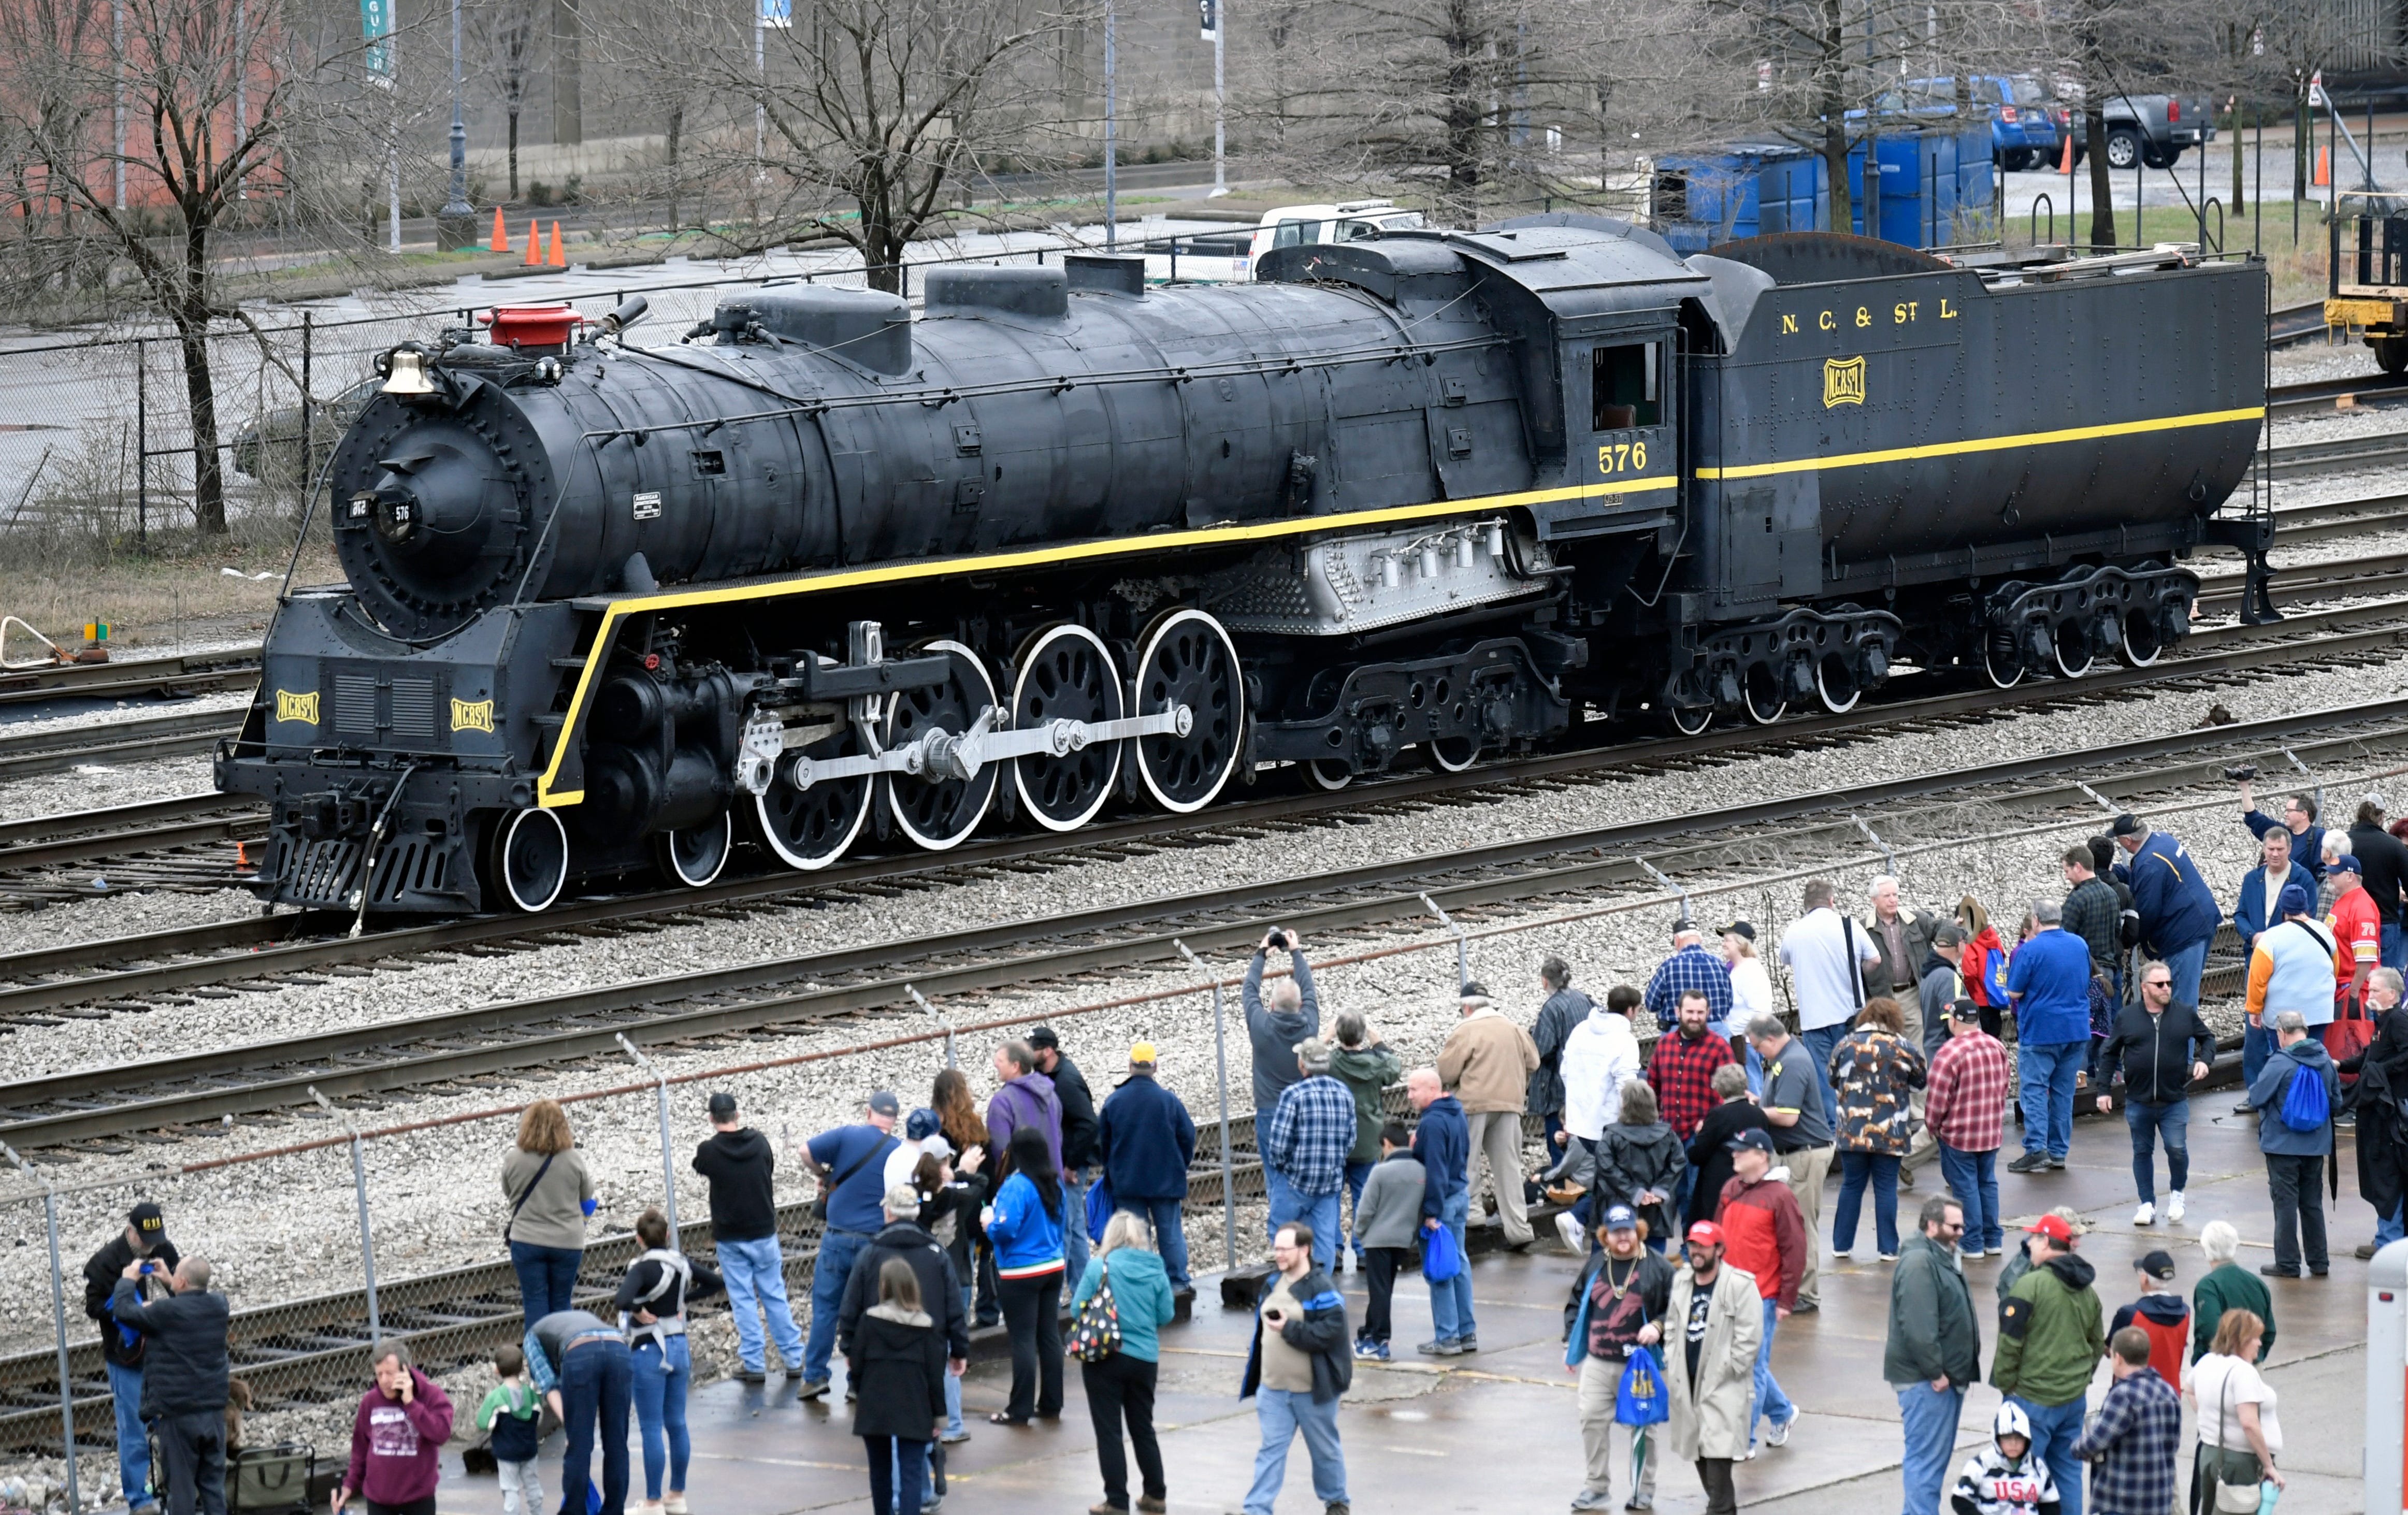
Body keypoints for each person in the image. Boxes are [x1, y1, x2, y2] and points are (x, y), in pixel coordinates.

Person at [1988, 1214, 2104, 1515]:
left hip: (2032, 1400)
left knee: (2019, 1478)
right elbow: (2096, 1343)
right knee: (2067, 1474)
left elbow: (2009, 1343)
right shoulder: (2088, 1291)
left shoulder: (2030, 1286)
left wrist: (2007, 1385)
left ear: (2045, 1242)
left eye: (2033, 1238)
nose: (2028, 1243)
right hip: (2072, 1400)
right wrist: (2080, 1380)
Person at [1563, 1204, 1675, 1513]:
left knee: (1644, 1429)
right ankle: (1596, 1487)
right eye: (1616, 1232)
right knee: (1591, 1419)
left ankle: (1643, 1491)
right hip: (1598, 1362)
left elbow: (1678, 1305)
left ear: (1637, 1231)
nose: (1622, 1236)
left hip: (1639, 1365)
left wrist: (1658, 1325)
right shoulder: (1597, 1264)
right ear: (1606, 1236)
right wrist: (1571, 1343)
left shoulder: (1659, 1267)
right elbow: (1575, 1304)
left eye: (1627, 1230)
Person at [1237, 1220, 1352, 1515]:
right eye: (1276, 1249)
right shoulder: (1272, 1283)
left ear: (1305, 1250)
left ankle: (1336, 1502)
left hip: (1312, 1391)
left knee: (1324, 1451)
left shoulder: (1321, 1288)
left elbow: (1332, 1333)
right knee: (1270, 1452)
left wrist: (1290, 1329)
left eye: (1285, 1249)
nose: (1279, 1255)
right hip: (1274, 1390)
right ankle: (1256, 1509)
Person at [692, 1090, 806, 1384]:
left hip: (730, 1236)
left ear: (711, 1118)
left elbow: (700, 1167)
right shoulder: (760, 1142)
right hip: (763, 1230)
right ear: (737, 1115)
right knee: (774, 1294)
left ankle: (754, 1363)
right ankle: (794, 1358)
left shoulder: (709, 1150)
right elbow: (768, 1167)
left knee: (742, 1299)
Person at [615, 1207, 723, 1515]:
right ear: (668, 1235)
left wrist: (639, 1308)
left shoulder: (641, 1268)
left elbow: (622, 1300)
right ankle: (677, 1495)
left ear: (639, 1239)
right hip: (678, 1347)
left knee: (651, 1427)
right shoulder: (681, 1263)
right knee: (677, 1423)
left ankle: (652, 1502)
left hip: (650, 1351)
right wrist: (682, 1302)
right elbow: (715, 1282)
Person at [797, 1090, 902, 1398]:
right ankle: (859, 1382)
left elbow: (805, 1151)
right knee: (868, 1312)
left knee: (826, 1310)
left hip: (836, 1239)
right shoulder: (896, 1151)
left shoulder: (846, 1135)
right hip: (874, 1244)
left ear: (868, 1113)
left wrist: (822, 1175)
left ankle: (815, 1376)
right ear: (893, 1120)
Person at [1072, 1210, 1177, 1515]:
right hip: (1145, 1359)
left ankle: (1117, 1501)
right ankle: (1155, 1495)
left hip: (1105, 1358)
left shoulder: (1099, 1267)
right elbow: (1166, 1315)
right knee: (1143, 1427)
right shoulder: (1156, 1269)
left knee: (1109, 1432)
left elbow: (1078, 1309)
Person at [2095, 959, 2214, 1227]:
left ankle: (2177, 1194)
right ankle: (2147, 1204)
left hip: (2174, 1100)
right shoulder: (2127, 1017)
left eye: (2169, 983)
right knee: (2142, 1151)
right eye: (2160, 984)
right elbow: (2110, 1053)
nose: (2166, 989)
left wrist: (2205, 1060)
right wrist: (2103, 1090)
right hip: (2139, 1100)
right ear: (2145, 987)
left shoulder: (2184, 1014)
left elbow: (2208, 1038)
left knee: (2177, 1149)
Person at [110, 1253, 228, 1515]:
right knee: (213, 1488)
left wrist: (128, 1281)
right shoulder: (219, 1306)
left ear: (183, 1283)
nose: (172, 1276)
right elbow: (188, 1307)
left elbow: (123, 1312)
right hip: (213, 1416)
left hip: (179, 1418)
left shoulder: (164, 1313)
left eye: (176, 1275)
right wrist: (167, 1280)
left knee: (182, 1491)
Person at [1656, 1221, 1762, 1515]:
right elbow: (1673, 1323)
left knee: (1717, 1463)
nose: (1696, 1252)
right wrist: (1671, 1358)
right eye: (1692, 1245)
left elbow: (1750, 1337)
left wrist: (1729, 1370)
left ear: (1719, 1249)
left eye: (1702, 1246)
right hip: (1686, 1387)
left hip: (1723, 1388)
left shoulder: (1740, 1285)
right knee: (1700, 1456)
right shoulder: (1682, 1280)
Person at [1714, 1129, 1803, 1454]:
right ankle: (1783, 1412)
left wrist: (1786, 1299)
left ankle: (1744, 1441)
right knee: (1746, 1365)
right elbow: (1717, 1241)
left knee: (1750, 1368)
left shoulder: (1780, 1197)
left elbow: (1795, 1249)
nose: (1735, 1155)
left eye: (1742, 1150)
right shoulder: (1730, 1189)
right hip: (1728, 1294)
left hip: (1762, 1297)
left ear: (1762, 1156)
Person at [86, 1201, 179, 1515]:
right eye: (145, 1239)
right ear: (130, 1232)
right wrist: (130, 1310)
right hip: (127, 1360)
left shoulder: (163, 1249)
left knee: (173, 1425)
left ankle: (176, 1488)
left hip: (164, 1356)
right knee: (134, 1432)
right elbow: (94, 1307)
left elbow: (186, 1290)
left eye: (156, 1238)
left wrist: (169, 1282)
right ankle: (139, 1500)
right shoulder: (105, 1263)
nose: (152, 1245)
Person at [1890, 1196, 1978, 1515]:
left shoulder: (1941, 1256)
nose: (1961, 1232)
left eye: (1962, 1226)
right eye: (1955, 1227)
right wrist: (1936, 1373)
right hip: (1927, 1383)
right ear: (1932, 1226)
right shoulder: (1919, 1264)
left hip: (1942, 1380)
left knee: (1930, 1464)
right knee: (1925, 1466)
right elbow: (1918, 1327)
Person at [1436, 980, 1541, 1249]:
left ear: (1467, 1007)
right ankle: (1518, 1228)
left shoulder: (1465, 1030)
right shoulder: (1513, 1027)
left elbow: (1446, 1072)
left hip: (1473, 1105)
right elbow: (1534, 1062)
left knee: (1468, 1161)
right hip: (1509, 1104)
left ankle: (1474, 1215)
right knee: (1509, 1167)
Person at [1743, 1014, 1835, 1311]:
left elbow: (1789, 1116)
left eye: (1758, 1047)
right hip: (1795, 1153)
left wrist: (1754, 1113)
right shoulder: (1788, 1057)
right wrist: (1758, 1103)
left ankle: (1806, 1294)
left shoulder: (1792, 1063)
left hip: (1804, 1155)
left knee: (1801, 1227)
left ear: (1770, 1039)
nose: (1758, 1053)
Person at [1827, 996, 1927, 1261]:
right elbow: (1920, 1082)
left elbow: (1832, 1079)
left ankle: (1841, 1245)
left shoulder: (1845, 1045)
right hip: (1889, 1131)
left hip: (1852, 1130)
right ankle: (1888, 1248)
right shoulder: (1903, 1047)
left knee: (1851, 1185)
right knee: (1885, 1188)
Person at [1777, 878, 1883, 1126]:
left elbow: (1785, 958)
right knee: (1855, 1070)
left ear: (1806, 906)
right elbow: (1875, 960)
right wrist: (1858, 971)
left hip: (1814, 1018)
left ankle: (1835, 1130)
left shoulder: (1795, 930)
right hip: (1849, 1015)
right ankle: (1860, 1123)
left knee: (1825, 1077)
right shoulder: (1849, 925)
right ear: (1832, 901)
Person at [2247, 1009, 2342, 1277]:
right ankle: (2319, 1262)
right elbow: (2337, 1103)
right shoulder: (2325, 1061)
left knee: (2285, 1203)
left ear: (2282, 1033)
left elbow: (2257, 1098)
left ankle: (2288, 1264)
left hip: (2282, 1146)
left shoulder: (2280, 1062)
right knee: (2312, 1203)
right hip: (2316, 1146)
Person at [984, 1122, 1069, 1421]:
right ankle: (1051, 1403)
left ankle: (1019, 1409)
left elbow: (1005, 1229)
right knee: (1049, 1336)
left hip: (1021, 1272)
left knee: (1022, 1339)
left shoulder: (1017, 1186)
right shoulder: (1054, 1184)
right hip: (1053, 1266)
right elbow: (1062, 1225)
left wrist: (989, 1226)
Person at [1098, 1041, 1198, 1291]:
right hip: (1166, 1181)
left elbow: (1102, 1145)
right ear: (1155, 1067)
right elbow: (1188, 1137)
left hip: (1127, 1183)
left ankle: (1144, 1285)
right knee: (1170, 1234)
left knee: (1136, 1237)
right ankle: (1177, 1284)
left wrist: (1113, 1170)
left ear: (1130, 1066)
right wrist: (1179, 1166)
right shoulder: (1168, 1100)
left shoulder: (1114, 1102)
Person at [849, 1258, 946, 1515]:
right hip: (915, 1407)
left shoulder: (869, 1321)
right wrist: (939, 1417)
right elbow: (936, 1377)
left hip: (875, 1406)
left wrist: (862, 1393)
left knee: (880, 1471)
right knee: (911, 1473)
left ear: (884, 1287)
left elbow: (856, 1366)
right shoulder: (926, 1327)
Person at [2005, 899, 2092, 1175]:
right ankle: (2058, 1151)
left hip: (2042, 1030)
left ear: (2036, 921)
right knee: (2063, 1092)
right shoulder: (2079, 944)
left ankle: (2035, 1149)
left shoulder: (2031, 950)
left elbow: (2015, 992)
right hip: (2076, 1028)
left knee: (2034, 1090)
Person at [524, 1308, 632, 1515]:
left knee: (580, 1446)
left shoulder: (532, 1338)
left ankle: (574, 1510)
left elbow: (549, 1386)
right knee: (617, 1441)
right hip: (619, 1350)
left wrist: (571, 1423)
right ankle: (614, 1509)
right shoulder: (579, 1319)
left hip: (580, 1353)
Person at [2232, 828, 2315, 1100]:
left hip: (2288, 965)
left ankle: (2288, 1088)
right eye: (2270, 849)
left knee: (2289, 1026)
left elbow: (2309, 917)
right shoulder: (2252, 879)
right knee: (2254, 1026)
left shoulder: (2303, 878)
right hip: (2257, 960)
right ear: (2264, 850)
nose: (2275, 854)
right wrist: (2252, 936)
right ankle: (2255, 1092)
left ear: (2289, 849)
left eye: (2280, 849)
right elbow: (2241, 914)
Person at [2109, 814, 2220, 1010]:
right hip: (2201, 920)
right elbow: (2143, 874)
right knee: (2182, 997)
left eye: (2119, 840)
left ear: (2127, 841)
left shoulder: (2149, 863)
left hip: (2184, 934)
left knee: (2180, 1005)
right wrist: (2113, 871)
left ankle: (2182, 1041)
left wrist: (2130, 941)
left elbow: (2147, 911)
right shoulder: (2162, 841)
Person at [1646, 989, 1739, 1224]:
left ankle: (1695, 1250)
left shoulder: (1719, 1048)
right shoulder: (1665, 1044)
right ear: (1678, 1012)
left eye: (1701, 1012)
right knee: (1669, 1195)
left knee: (1695, 1196)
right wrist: (1652, 1119)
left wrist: (1709, 1122)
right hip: (1668, 1135)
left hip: (1699, 1137)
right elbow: (1652, 1085)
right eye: (1690, 1012)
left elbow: (1730, 1093)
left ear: (1708, 1013)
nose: (1695, 1017)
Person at [501, 1098, 595, 1323]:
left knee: (534, 1302)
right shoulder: (573, 1159)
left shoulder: (513, 1158)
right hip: (567, 1242)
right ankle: (563, 1354)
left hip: (527, 1240)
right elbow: (587, 1195)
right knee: (561, 1302)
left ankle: (537, 1357)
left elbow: (508, 1191)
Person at [1265, 1038, 1357, 1269]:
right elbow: (1350, 1140)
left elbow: (1278, 1145)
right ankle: (1321, 1290)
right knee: (1325, 1239)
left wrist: (1282, 1167)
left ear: (1302, 1064)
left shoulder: (1293, 1095)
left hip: (1296, 1180)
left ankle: (1290, 1281)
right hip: (1329, 1182)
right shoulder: (1344, 1093)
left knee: (1282, 1230)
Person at [2184, 1309, 2286, 1515]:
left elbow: (2188, 1388)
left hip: (2210, 1454)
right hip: (2238, 1463)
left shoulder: (2207, 1362)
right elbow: (2249, 1423)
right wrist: (2268, 1465)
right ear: (2241, 1339)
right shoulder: (2243, 1372)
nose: (2260, 1343)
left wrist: (2210, 1419)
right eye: (2256, 1338)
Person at [1928, 999, 2009, 1258]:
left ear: (1954, 1021)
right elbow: (2005, 1087)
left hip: (1959, 1135)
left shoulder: (1949, 1053)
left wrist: (1933, 1126)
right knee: (1987, 1183)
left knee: (1965, 1188)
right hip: (1990, 1132)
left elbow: (1938, 1098)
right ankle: (1993, 1240)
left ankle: (1972, 1243)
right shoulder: (1997, 1047)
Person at [2069, 1329, 2181, 1515]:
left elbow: (2096, 1442)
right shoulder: (2168, 1392)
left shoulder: (2123, 1395)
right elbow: (2173, 1444)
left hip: (2122, 1501)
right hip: (2158, 1501)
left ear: (2118, 1358)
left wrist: (2075, 1448)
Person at [334, 1341, 453, 1515]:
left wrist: (411, 1404)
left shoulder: (431, 1396)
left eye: (389, 1373)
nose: (383, 1381)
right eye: (379, 1374)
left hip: (418, 1500)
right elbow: (360, 1450)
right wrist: (349, 1486)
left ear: (406, 1370)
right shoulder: (370, 1402)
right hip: (379, 1500)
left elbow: (441, 1434)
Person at [1406, 1066, 1476, 1355]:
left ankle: (1447, 1338)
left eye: (1414, 1090)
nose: (1409, 1096)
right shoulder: (1455, 1111)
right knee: (1458, 1262)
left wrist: (1431, 1213)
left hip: (1443, 1203)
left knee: (1440, 1268)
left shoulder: (1432, 1123)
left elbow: (1435, 1169)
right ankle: (1466, 1332)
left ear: (1433, 1090)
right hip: (1460, 1195)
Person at [2245, 882, 2340, 1093]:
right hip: (2319, 1012)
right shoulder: (2325, 932)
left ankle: (2289, 1105)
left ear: (2284, 909)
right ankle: (2314, 1101)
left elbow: (2258, 979)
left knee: (2287, 1064)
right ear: (2306, 906)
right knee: (2313, 1060)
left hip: (2282, 1015)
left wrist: (2254, 1008)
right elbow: (2335, 970)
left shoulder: (2271, 938)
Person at [1328, 1013, 1403, 1268]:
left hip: (1336, 1139)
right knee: (1364, 1195)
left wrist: (1325, 1037)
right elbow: (1395, 1067)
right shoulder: (1377, 1063)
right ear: (1362, 1035)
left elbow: (1308, 1059)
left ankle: (1333, 1249)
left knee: (1331, 1196)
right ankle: (1362, 1249)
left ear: (1339, 1035)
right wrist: (1378, 1042)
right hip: (1368, 1138)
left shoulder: (1330, 1063)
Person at [1027, 1025, 1099, 1284]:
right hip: (1063, 1163)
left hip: (1068, 1166)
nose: (1029, 1053)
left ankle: (1055, 1296)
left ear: (1048, 1051)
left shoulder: (1066, 1081)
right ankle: (1084, 1288)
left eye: (1033, 1048)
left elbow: (1089, 1124)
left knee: (1064, 1227)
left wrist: (1071, 1165)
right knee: (1076, 1227)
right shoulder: (1049, 1075)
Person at [2344, 966, 2408, 1256]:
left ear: (2393, 994)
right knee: (2384, 1173)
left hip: (2392, 1113)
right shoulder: (2383, 1023)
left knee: (2388, 1174)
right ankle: (2390, 1236)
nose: (2370, 993)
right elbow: (2368, 1058)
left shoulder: (2398, 1021)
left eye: (2376, 989)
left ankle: (2389, 1243)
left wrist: (2381, 1070)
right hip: (2383, 1110)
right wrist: (2340, 1065)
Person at [1560, 984, 1646, 1190]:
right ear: (1631, 1010)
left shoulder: (1580, 1030)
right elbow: (1627, 1087)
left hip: (1581, 1125)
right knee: (1620, 1185)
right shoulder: (1625, 1040)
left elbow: (1565, 1071)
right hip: (1611, 1126)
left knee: (1603, 1181)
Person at [1352, 1123, 1423, 1361]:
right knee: (1384, 1288)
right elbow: (1421, 1211)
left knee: (1379, 1290)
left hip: (1377, 1240)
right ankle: (1367, 1333)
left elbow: (1365, 1211)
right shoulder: (1421, 1171)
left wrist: (1360, 1234)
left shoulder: (1380, 1172)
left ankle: (1380, 1340)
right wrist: (1411, 1236)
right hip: (1402, 1240)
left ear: (1387, 1144)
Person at [1597, 1080, 1688, 1253]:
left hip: (1623, 1208)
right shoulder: (1668, 1135)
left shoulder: (1611, 1136)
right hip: (1657, 1208)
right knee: (1655, 1259)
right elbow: (1678, 1163)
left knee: (1623, 1259)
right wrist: (1660, 1190)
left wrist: (1634, 1193)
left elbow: (1606, 1168)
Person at [1683, 1064, 1772, 1233]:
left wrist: (1699, 1134)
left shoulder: (1718, 1115)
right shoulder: (1759, 1114)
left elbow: (1698, 1154)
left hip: (1718, 1184)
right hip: (1752, 1180)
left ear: (1719, 1089)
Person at [1245, 928, 1320, 1119]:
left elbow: (1249, 990)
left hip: (1271, 1111)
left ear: (1271, 1005)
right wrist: (1295, 951)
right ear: (1300, 1003)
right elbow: (1309, 989)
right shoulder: (1309, 1026)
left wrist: (1261, 953)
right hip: (1303, 1108)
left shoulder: (1261, 1027)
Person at [1863, 875, 1944, 1045]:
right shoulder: (1863, 928)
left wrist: (1958, 926)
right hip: (1882, 997)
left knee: (1918, 1045)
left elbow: (1940, 929)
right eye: (1887, 896)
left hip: (1912, 994)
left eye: (1895, 895)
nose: (1893, 900)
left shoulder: (1916, 921)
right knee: (1886, 1044)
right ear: (1874, 900)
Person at [1529, 957, 1594, 1155]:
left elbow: (1542, 1050)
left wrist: (1534, 1033)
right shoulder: (1583, 998)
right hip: (1586, 1083)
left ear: (1545, 981)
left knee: (1559, 1148)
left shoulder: (1552, 1008)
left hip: (1559, 1090)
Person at [1950, 1403, 2063, 1515]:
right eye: (2007, 1438)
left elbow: (2050, 1503)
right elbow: (1960, 1499)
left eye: (2019, 1439)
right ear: (1998, 1439)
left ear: (2027, 1440)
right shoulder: (1982, 1464)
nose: (2013, 1444)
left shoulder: (2037, 1467)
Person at [2190, 1221, 2274, 1365]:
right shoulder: (2257, 1283)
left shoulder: (2208, 1286)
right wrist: (2256, 1357)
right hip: (2252, 1363)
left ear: (2206, 1250)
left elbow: (2209, 1330)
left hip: (2219, 1367)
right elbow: (2270, 1331)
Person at [475, 1346, 544, 1515]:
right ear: (522, 1368)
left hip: (507, 1453)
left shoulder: (496, 1397)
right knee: (533, 1485)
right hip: (529, 1450)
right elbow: (539, 1419)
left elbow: (483, 1423)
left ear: (497, 1370)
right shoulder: (532, 1394)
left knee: (510, 1489)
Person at [2109, 1251, 2189, 1389]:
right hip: (2170, 1393)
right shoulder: (2185, 1313)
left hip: (2131, 1394)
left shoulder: (2130, 1314)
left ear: (2145, 1278)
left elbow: (2111, 1349)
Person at [2348, 792, 2408, 970]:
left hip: (2352, 919)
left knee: (2353, 975)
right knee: (2385, 978)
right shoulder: (2393, 845)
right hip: (2385, 920)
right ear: (2382, 816)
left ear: (2358, 814)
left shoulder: (2346, 842)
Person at [2326, 854, 2383, 1034]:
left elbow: (2366, 959)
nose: (2329, 876)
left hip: (2353, 994)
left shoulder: (2361, 908)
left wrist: (2353, 993)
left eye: (2335, 873)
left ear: (2350, 877)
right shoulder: (2346, 900)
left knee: (2352, 1050)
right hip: (2343, 990)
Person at [1645, 920, 1733, 1035]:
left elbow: (1651, 1004)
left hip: (1678, 1033)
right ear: (1700, 939)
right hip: (1716, 1032)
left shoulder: (1669, 967)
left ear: (1677, 940)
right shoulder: (1720, 965)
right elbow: (1730, 1003)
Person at [986, 1041, 1063, 1169]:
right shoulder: (1052, 1096)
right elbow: (1058, 1138)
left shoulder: (1002, 1101)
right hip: (1053, 1180)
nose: (995, 1064)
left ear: (1015, 1066)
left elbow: (1001, 1149)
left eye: (1000, 1060)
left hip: (1020, 1183)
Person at [2237, 773, 2324, 885]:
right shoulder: (2282, 833)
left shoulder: (2318, 837)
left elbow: (2322, 875)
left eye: (2290, 811)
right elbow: (2253, 818)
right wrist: (2244, 786)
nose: (2285, 814)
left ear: (2304, 814)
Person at [1997, 1206, 2088, 1305]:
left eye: (2079, 1237)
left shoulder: (2048, 1260)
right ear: (2053, 1238)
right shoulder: (2026, 1269)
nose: (2078, 1244)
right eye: (2073, 1237)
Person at [1720, 924, 1771, 1047]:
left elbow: (1760, 1012)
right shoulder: (1736, 969)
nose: (1723, 944)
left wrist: (1728, 1030)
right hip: (1739, 1041)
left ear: (1742, 944)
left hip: (1747, 1043)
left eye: (1728, 940)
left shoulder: (1750, 971)